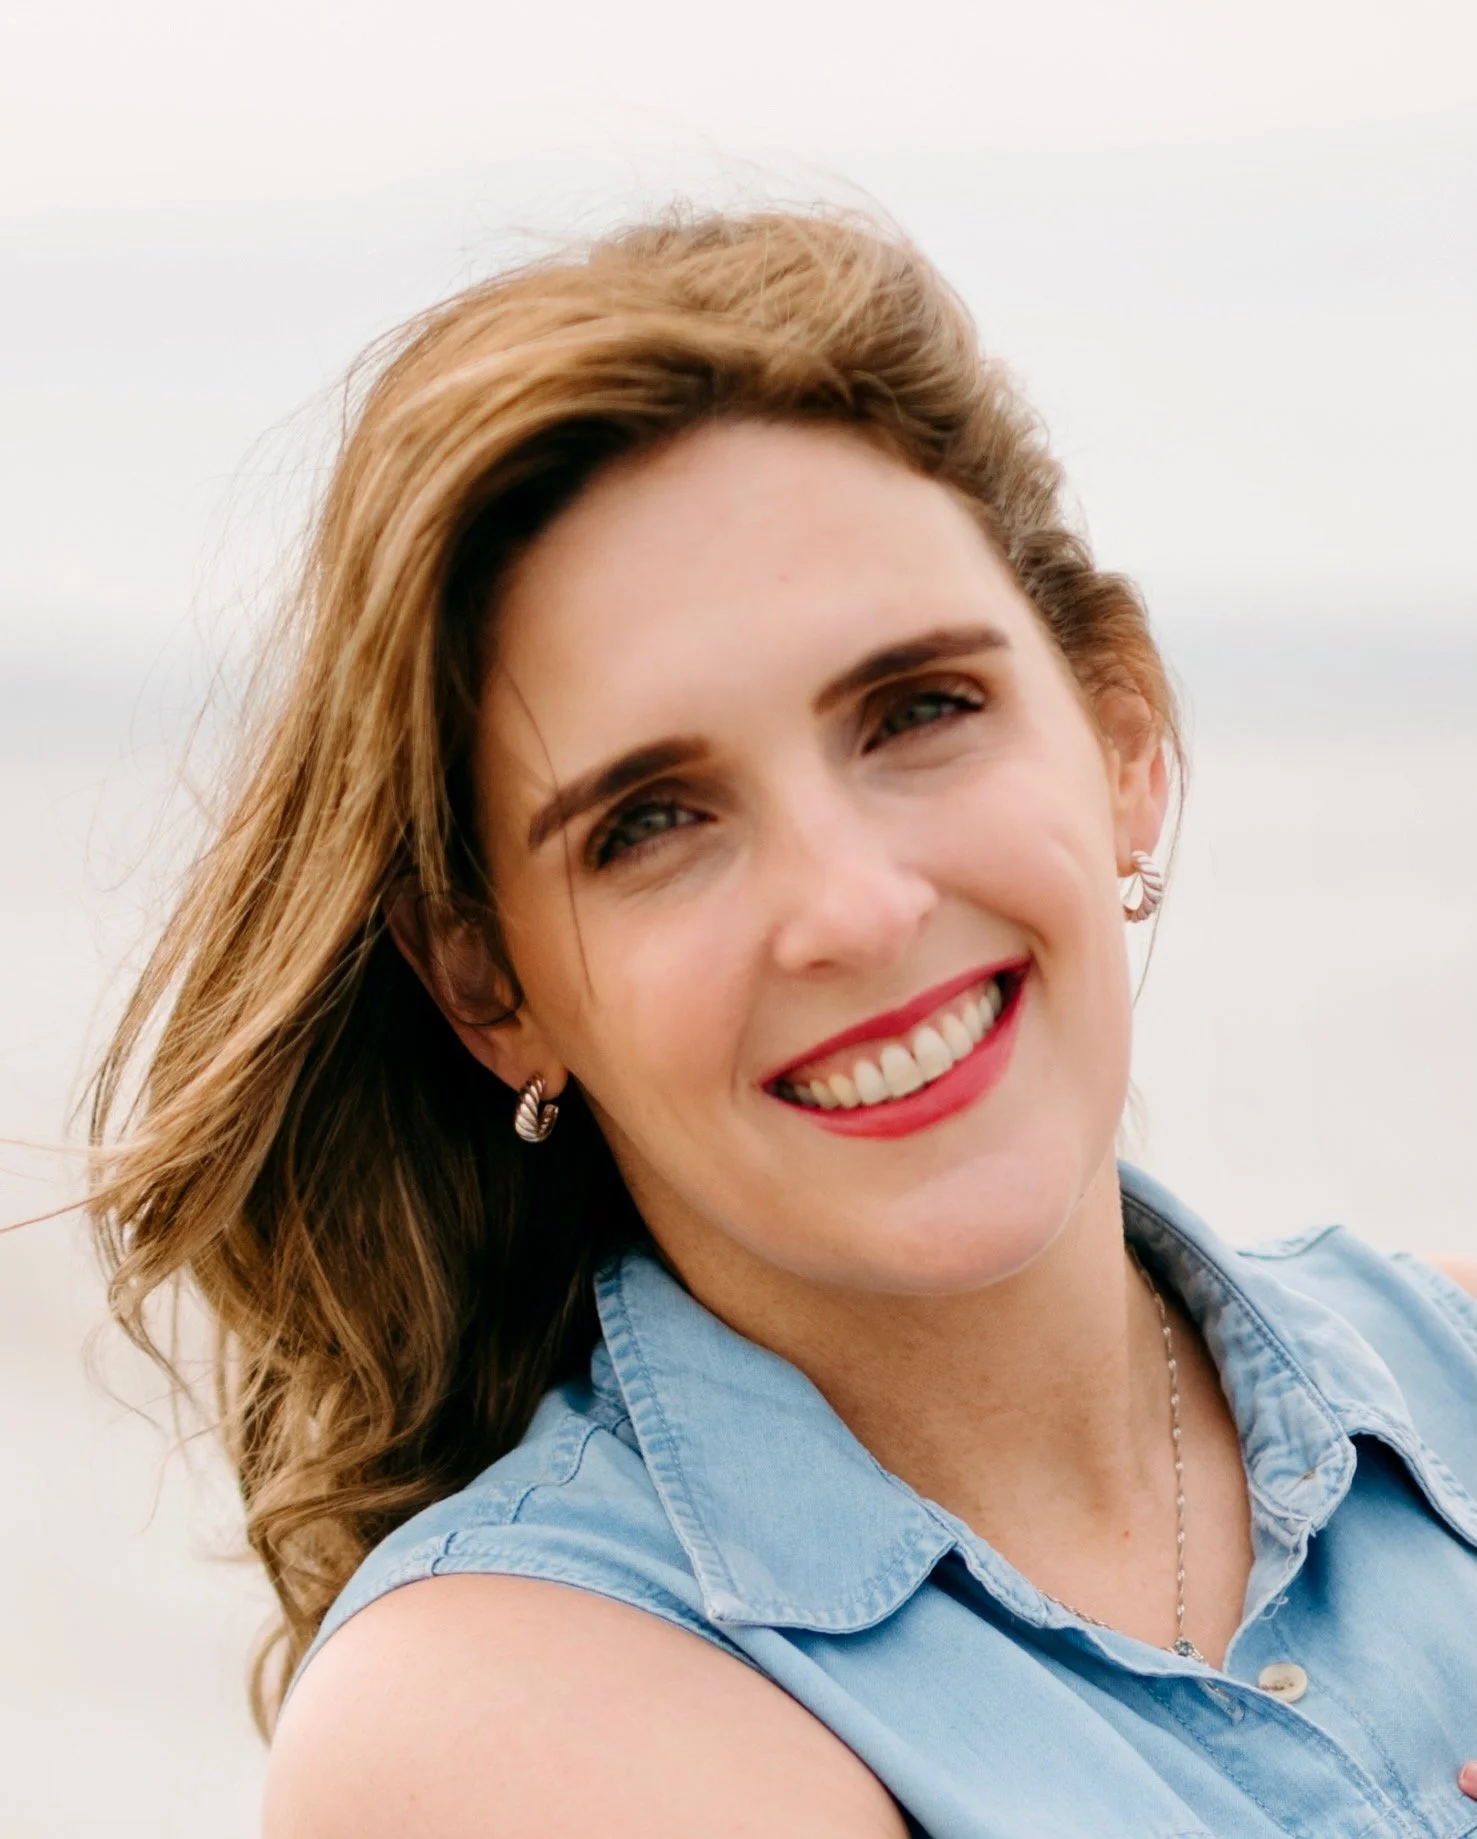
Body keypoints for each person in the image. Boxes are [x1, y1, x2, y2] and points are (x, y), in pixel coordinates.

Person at [89, 208, 1477, 1839]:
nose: (855, 908)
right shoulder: (509, 1725)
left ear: (1120, 737)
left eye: (920, 710)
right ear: (492, 990)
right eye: (654, 822)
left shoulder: (1444, 1363)